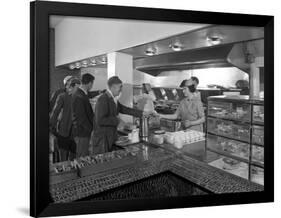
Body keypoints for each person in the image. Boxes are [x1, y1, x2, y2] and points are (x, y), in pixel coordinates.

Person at [92, 76, 152, 154]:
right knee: (103, 163)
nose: (121, 90)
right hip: (103, 139)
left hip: (110, 136)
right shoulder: (103, 99)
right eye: (119, 87)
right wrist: (117, 120)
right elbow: (100, 120)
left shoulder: (113, 99)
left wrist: (141, 113)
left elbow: (124, 109)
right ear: (113, 87)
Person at [50, 78, 81, 161]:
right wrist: (52, 127)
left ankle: (73, 172)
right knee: (63, 156)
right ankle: (64, 172)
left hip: (75, 133)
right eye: (77, 88)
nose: (78, 90)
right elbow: (55, 112)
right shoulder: (62, 96)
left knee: (74, 156)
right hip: (63, 131)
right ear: (71, 87)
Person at [72, 74, 95, 158]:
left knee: (83, 154)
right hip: (82, 132)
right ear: (89, 83)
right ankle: (81, 171)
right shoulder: (79, 96)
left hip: (82, 131)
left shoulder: (81, 93)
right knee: (82, 156)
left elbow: (89, 95)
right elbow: (81, 118)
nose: (92, 86)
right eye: (92, 83)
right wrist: (91, 129)